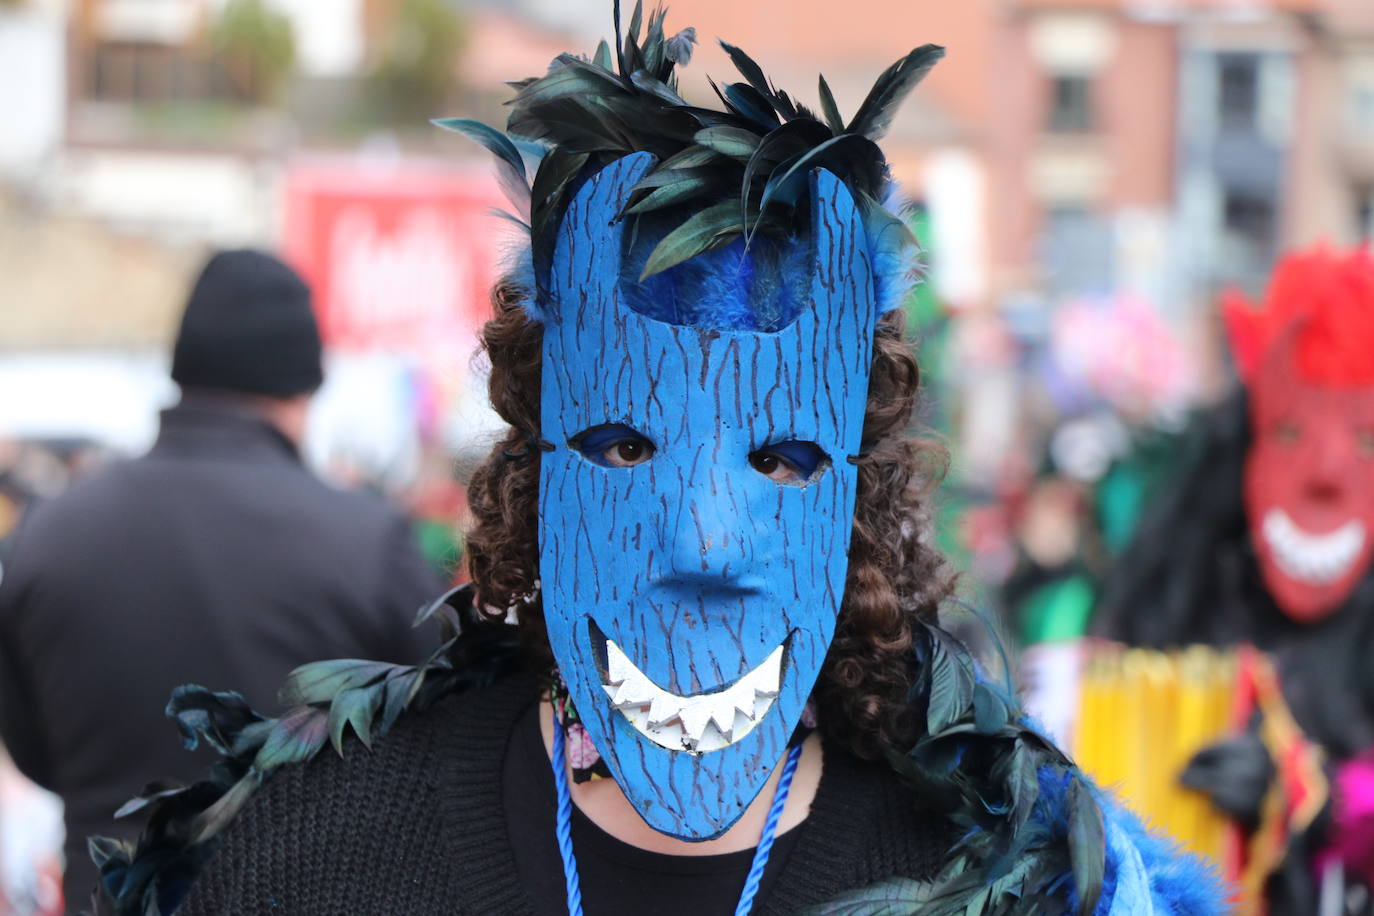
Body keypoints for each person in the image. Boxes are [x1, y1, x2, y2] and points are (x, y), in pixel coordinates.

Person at [90, 10, 1221, 915]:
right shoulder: (310, 860)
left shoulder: (1010, 883)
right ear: (536, 467)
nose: (705, 544)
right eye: (625, 445)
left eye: (781, 458)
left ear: (860, 498)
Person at [0, 249, 443, 909]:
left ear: (184, 370)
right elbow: (446, 743)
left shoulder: (49, 535)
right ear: (303, 386)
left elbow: (33, 750)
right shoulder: (363, 542)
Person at [1095, 245, 1374, 913]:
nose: (1326, 472)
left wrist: (1312, 799)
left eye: (1366, 440)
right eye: (1288, 432)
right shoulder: (1181, 599)